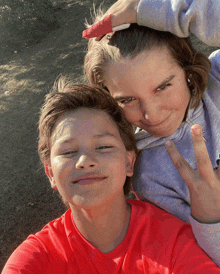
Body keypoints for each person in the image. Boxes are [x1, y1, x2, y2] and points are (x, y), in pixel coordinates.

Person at [2, 78, 220, 273]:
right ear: (50, 173)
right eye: (68, 151)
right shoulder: (34, 261)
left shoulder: (174, 243)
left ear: (129, 162)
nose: (85, 161)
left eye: (104, 146)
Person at [83, 0, 220, 266]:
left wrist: (163, 8)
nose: (152, 114)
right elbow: (198, 263)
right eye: (127, 100)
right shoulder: (147, 176)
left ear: (186, 67)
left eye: (163, 86)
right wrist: (210, 218)